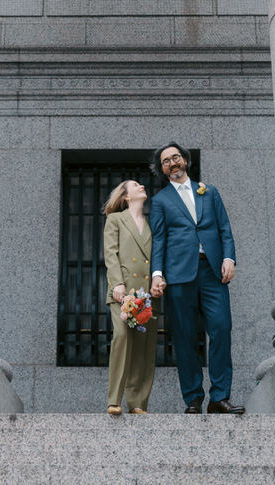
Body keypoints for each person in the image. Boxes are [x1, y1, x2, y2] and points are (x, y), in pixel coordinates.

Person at [148, 142, 244, 414]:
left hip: (212, 272)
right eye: (166, 161)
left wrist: (229, 258)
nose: (172, 163)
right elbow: (159, 240)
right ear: (163, 169)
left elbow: (224, 227)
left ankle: (219, 396)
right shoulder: (161, 201)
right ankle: (193, 398)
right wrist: (157, 274)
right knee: (185, 336)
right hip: (179, 276)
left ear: (185, 161)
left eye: (176, 157)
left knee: (221, 328)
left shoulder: (209, 192)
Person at [102, 179, 157, 415]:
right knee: (122, 337)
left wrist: (159, 280)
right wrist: (117, 283)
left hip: (147, 293)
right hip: (122, 292)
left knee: (144, 347)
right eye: (135, 185)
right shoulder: (115, 219)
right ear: (126, 196)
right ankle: (114, 399)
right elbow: (110, 253)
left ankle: (137, 404)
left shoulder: (152, 223)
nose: (141, 186)